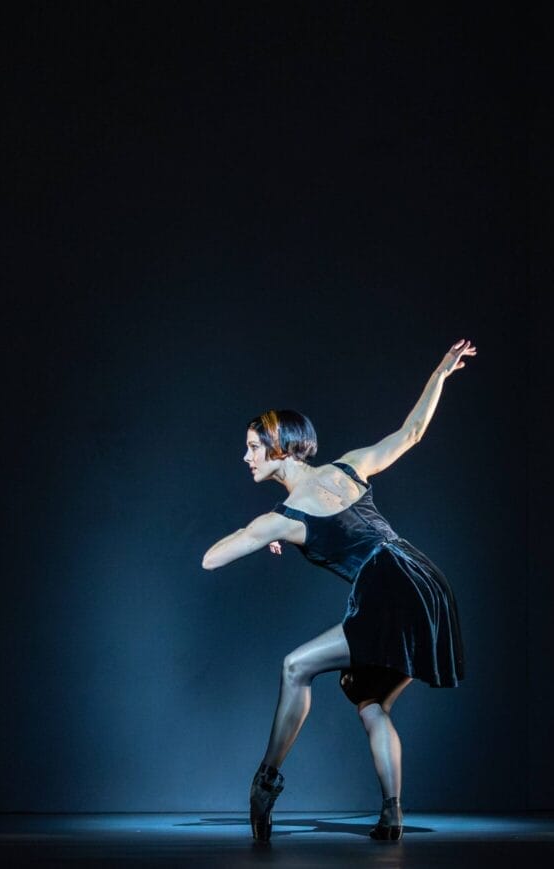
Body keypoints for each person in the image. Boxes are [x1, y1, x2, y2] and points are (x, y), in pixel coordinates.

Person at [202, 339, 474, 843]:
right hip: (427, 583)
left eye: (253, 448)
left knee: (294, 666)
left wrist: (263, 532)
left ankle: (265, 782)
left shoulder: (281, 517)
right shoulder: (348, 466)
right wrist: (439, 373)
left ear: (280, 447)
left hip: (388, 589)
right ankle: (392, 813)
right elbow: (411, 433)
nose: (246, 457)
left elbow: (211, 559)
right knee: (370, 700)